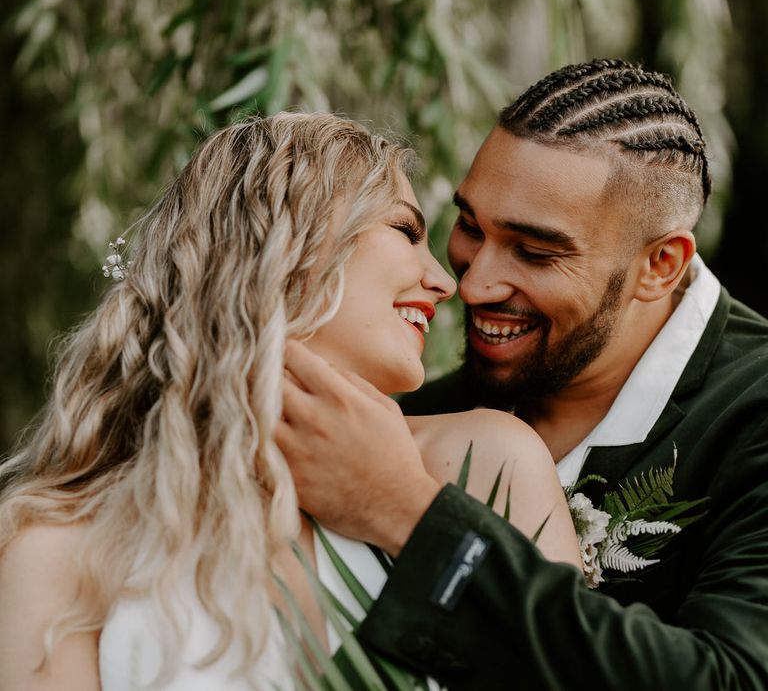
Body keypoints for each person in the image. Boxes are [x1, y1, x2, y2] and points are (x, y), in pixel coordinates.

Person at [0, 112, 582, 689]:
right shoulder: (61, 554)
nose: (446, 282)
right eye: (405, 231)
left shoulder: (483, 466)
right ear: (281, 237)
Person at [278, 59, 768, 689]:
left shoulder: (752, 414)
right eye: (470, 227)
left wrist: (406, 513)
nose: (472, 283)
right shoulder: (408, 410)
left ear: (661, 265)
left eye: (535, 252)